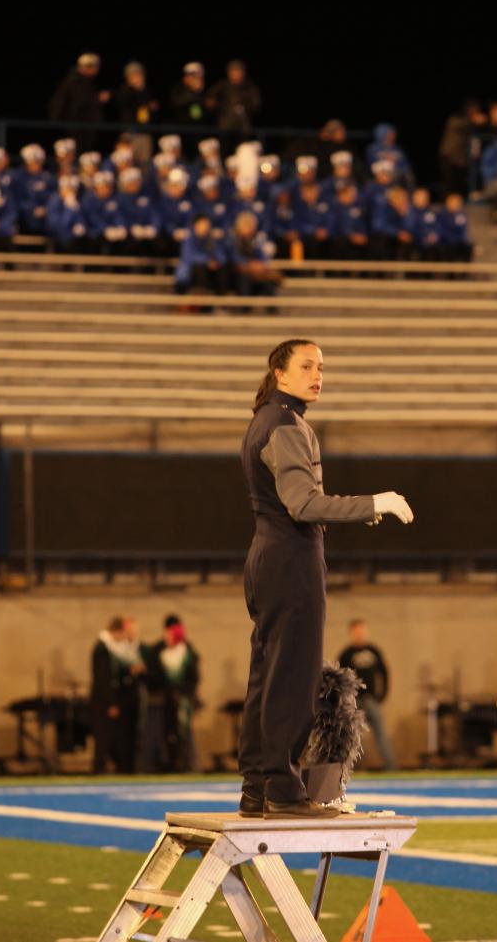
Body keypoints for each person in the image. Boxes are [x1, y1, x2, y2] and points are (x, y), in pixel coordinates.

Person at [238, 340, 413, 819]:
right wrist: (372, 503)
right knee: (293, 678)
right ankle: (282, 786)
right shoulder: (285, 424)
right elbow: (304, 504)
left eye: (322, 367)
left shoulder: (267, 419)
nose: (318, 375)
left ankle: (257, 787)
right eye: (307, 366)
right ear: (280, 373)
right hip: (290, 560)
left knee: (269, 675)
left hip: (270, 555)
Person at [144, 615, 200, 773]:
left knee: (184, 733)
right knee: (163, 733)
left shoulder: (187, 653)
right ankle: (165, 763)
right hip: (163, 701)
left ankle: (185, 763)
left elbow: (193, 678)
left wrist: (183, 693)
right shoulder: (158, 652)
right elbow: (153, 677)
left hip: (182, 701)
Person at [90, 615, 145, 774]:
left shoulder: (113, 648)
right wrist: (112, 703)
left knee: (117, 741)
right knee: (103, 740)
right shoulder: (102, 648)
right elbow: (103, 679)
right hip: (103, 703)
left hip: (111, 701)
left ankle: (121, 769)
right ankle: (98, 771)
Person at [338, 620, 396, 770]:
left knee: (380, 734)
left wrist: (381, 695)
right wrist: (344, 700)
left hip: (371, 699)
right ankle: (355, 768)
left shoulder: (373, 650)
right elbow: (339, 678)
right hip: (354, 701)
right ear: (351, 633)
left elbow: (384, 673)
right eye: (356, 631)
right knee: (354, 737)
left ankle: (390, 766)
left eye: (362, 631)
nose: (359, 634)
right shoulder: (346, 654)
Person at [48, 52, 109, 153]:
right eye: (93, 66)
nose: (96, 69)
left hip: (82, 127)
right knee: (75, 152)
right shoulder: (75, 80)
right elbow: (79, 102)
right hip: (77, 127)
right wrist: (97, 99)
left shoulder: (83, 81)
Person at [206, 59, 262, 150]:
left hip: (243, 129)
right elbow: (209, 101)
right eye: (234, 71)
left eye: (239, 71)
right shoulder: (222, 86)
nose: (237, 74)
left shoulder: (249, 87)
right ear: (229, 73)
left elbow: (256, 105)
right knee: (224, 150)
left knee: (244, 150)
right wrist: (219, 106)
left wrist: (244, 106)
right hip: (225, 128)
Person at [438, 98, 486, 195]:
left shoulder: (469, 125)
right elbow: (464, 124)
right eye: (473, 110)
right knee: (449, 186)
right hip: (449, 158)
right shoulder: (455, 120)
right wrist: (474, 121)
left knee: (460, 186)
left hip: (460, 161)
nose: (475, 113)